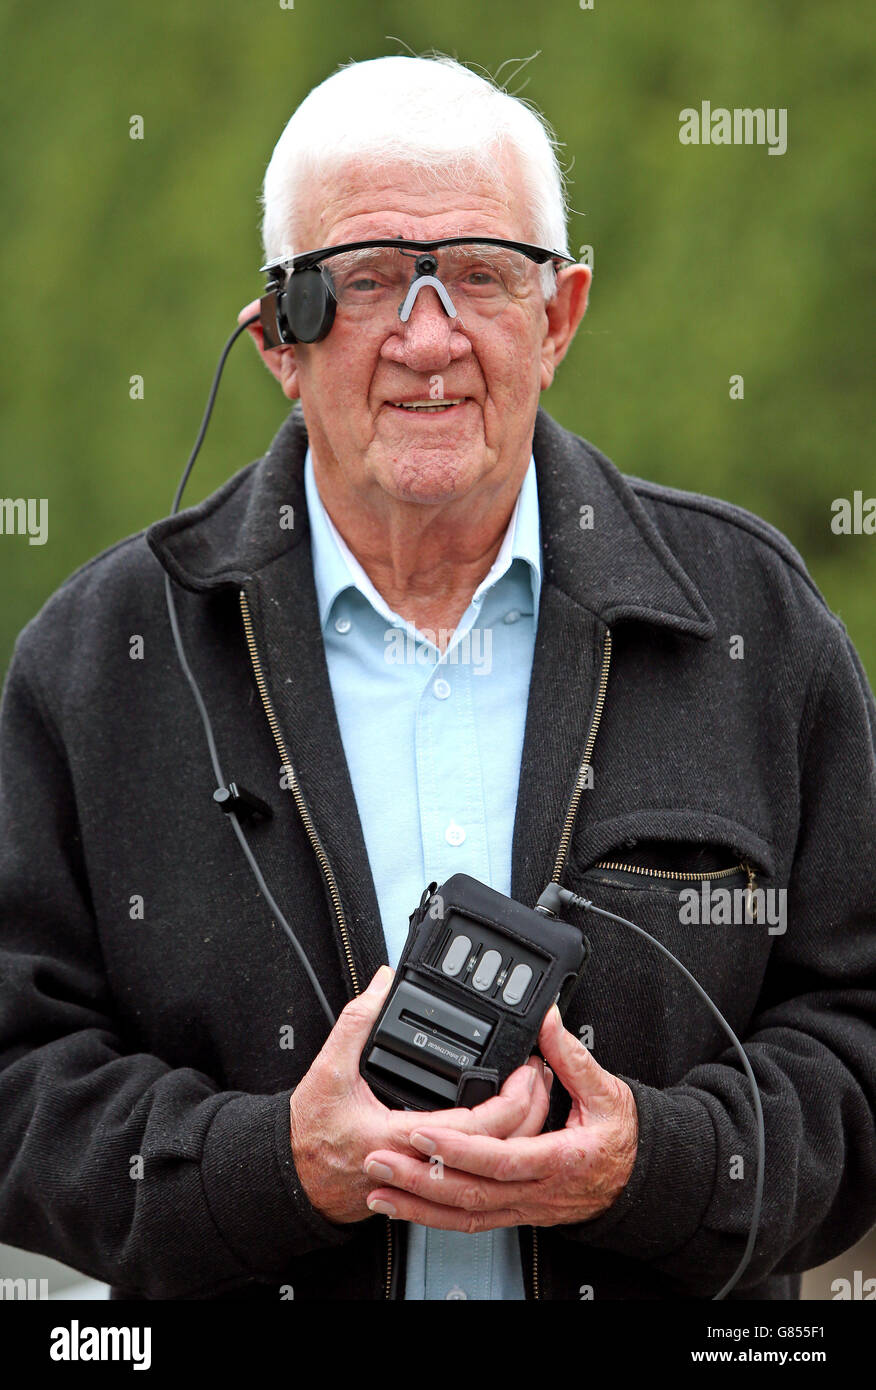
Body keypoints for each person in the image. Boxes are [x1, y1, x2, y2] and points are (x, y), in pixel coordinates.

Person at [0, 54, 873, 1302]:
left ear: (558, 317)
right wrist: (268, 1166)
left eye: (478, 275)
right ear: (278, 343)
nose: (428, 339)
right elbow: (20, 1072)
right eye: (364, 284)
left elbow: (858, 1032)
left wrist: (653, 1167)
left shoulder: (752, 623)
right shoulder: (101, 663)